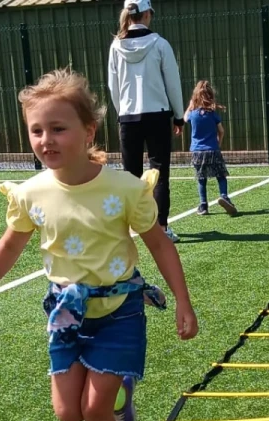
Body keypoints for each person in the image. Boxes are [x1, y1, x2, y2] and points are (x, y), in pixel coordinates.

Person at [0, 69, 198, 421]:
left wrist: (184, 303)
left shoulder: (124, 188)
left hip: (119, 311)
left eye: (58, 128)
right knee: (68, 413)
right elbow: (9, 245)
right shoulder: (30, 194)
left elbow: (159, 243)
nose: (46, 139)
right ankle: (121, 400)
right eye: (36, 130)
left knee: (93, 409)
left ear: (89, 131)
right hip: (66, 313)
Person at [108, 0, 186, 242]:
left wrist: (122, 113)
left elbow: (113, 87)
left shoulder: (115, 47)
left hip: (128, 118)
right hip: (158, 115)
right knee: (160, 174)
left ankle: (132, 229)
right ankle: (161, 229)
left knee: (130, 176)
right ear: (148, 14)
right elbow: (173, 83)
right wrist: (179, 116)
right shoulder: (160, 44)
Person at [184, 81, 237, 216]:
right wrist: (218, 144)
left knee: (201, 178)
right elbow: (221, 131)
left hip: (197, 151)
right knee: (221, 175)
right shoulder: (212, 114)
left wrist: (190, 107)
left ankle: (203, 205)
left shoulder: (193, 114)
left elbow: (184, 118)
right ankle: (224, 196)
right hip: (213, 149)